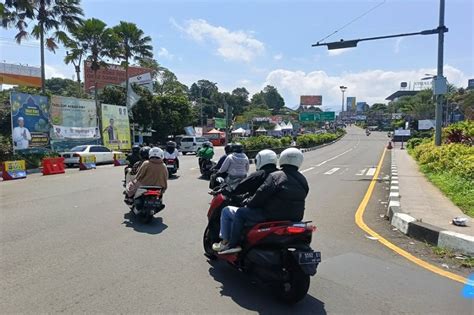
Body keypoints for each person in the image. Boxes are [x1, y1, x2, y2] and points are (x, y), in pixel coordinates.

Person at [217, 148, 309, 254]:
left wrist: (248, 203)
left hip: (271, 215)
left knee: (241, 212)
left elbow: (260, 194)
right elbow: (304, 195)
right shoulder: (302, 179)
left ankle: (231, 244)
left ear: (282, 158)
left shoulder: (276, 176)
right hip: (294, 217)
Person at [212, 149, 279, 252]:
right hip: (280, 214)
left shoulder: (259, 174)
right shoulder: (282, 174)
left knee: (228, 211)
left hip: (262, 212)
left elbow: (238, 188)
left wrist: (226, 190)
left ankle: (227, 243)